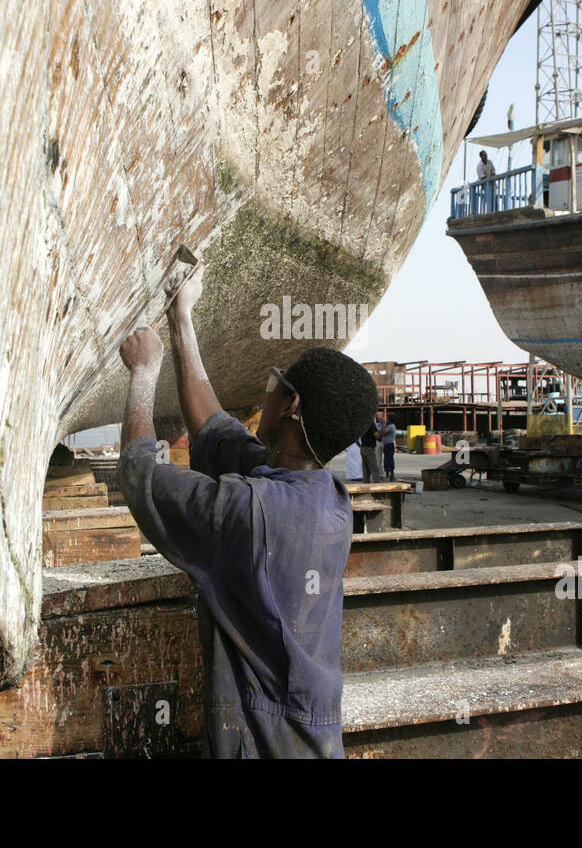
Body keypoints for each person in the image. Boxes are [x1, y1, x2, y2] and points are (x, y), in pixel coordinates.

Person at [117, 264, 378, 758]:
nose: (266, 391)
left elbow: (139, 476)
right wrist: (181, 317)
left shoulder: (249, 513)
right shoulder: (325, 495)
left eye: (275, 384)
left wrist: (143, 376)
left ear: (290, 406)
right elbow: (216, 430)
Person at [379, 414, 397, 479]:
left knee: (389, 459)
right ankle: (388, 472)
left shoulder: (390, 427)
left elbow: (383, 434)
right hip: (387, 444)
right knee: (387, 459)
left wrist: (383, 425)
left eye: (388, 419)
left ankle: (391, 473)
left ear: (390, 420)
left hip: (389, 445)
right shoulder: (390, 426)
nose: (387, 420)